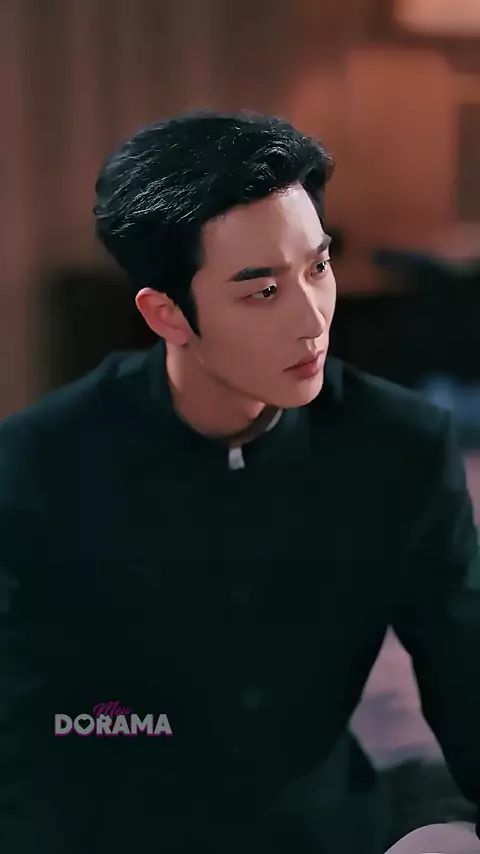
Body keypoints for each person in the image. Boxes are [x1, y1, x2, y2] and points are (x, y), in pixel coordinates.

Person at [1, 111, 480, 854]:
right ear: (167, 313)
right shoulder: (46, 463)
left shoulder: (401, 446)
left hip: (330, 833)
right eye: (262, 292)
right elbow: (31, 747)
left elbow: (465, 679)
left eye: (318, 268)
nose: (313, 321)